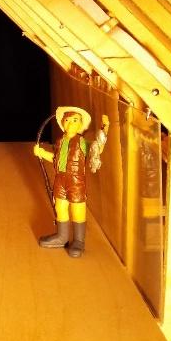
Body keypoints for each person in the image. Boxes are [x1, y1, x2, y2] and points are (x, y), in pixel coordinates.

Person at [33, 106, 109, 257]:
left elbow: (97, 147)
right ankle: (62, 237)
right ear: (62, 122)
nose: (70, 123)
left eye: (75, 120)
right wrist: (41, 152)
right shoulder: (60, 141)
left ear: (81, 125)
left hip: (76, 181)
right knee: (60, 207)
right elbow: (55, 159)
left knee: (77, 208)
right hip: (60, 180)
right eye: (67, 120)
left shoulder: (82, 142)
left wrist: (105, 128)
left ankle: (79, 240)